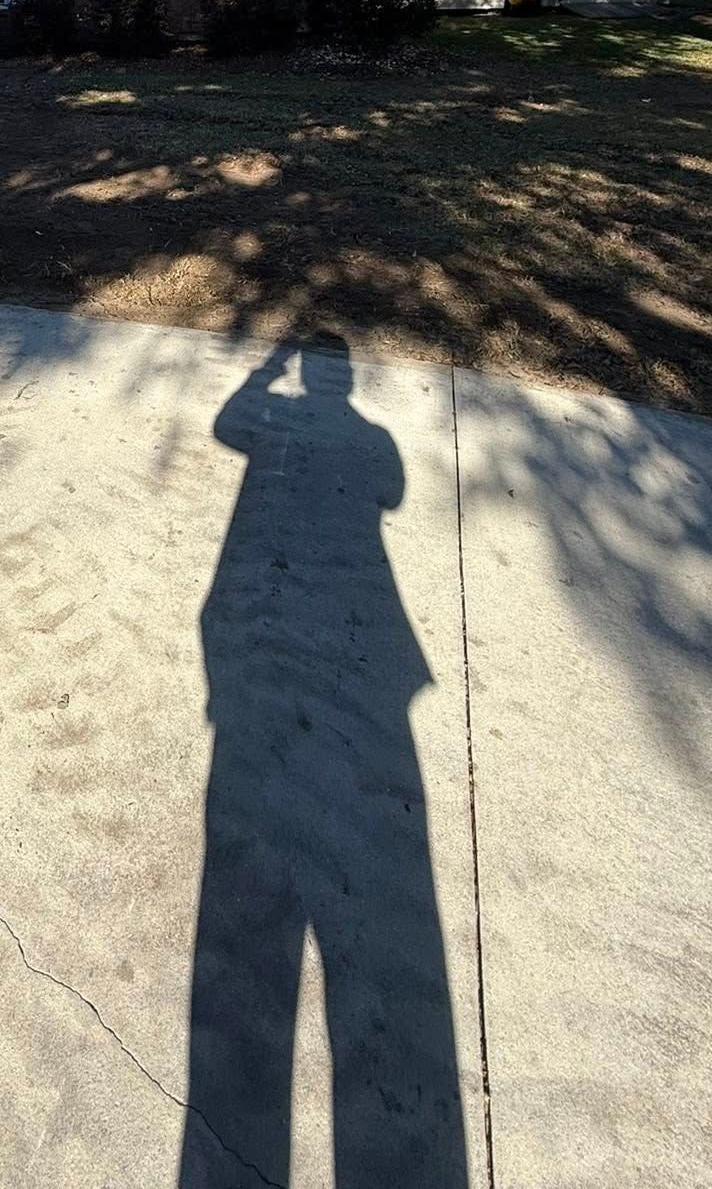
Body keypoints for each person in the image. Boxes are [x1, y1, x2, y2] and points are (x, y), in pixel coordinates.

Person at [180, 345, 469, 1188]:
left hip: (263, 648)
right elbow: (391, 492)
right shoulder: (370, 435)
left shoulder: (295, 421)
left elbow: (232, 425)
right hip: (371, 661)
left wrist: (263, 375)